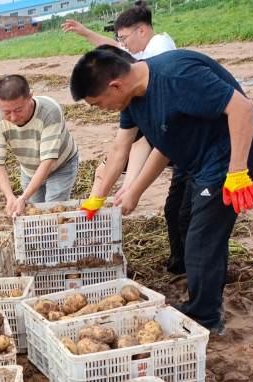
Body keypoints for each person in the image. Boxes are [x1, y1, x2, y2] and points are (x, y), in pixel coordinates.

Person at [70, 47, 253, 334]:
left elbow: (241, 108)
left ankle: (205, 317)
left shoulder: (177, 76)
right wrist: (98, 197)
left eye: (99, 103)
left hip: (231, 155)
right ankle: (208, 284)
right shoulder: (133, 99)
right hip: (199, 157)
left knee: (202, 237)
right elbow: (128, 148)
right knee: (184, 219)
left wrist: (237, 171)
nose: (103, 109)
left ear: (115, 85)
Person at [65, 2, 186, 272]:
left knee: (190, 216)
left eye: (124, 38)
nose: (123, 44)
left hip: (201, 149)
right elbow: (127, 146)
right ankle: (183, 266)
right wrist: (115, 193)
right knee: (178, 209)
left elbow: (158, 145)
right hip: (178, 146)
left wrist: (134, 190)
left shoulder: (156, 63)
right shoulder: (135, 76)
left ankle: (199, 286)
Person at [0, 75, 79, 215]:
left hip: (60, 165)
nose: (13, 117)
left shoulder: (49, 111)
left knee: (52, 210)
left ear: (30, 96)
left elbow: (48, 161)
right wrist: (10, 196)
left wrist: (24, 197)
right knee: (33, 211)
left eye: (18, 110)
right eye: (6, 112)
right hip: (29, 170)